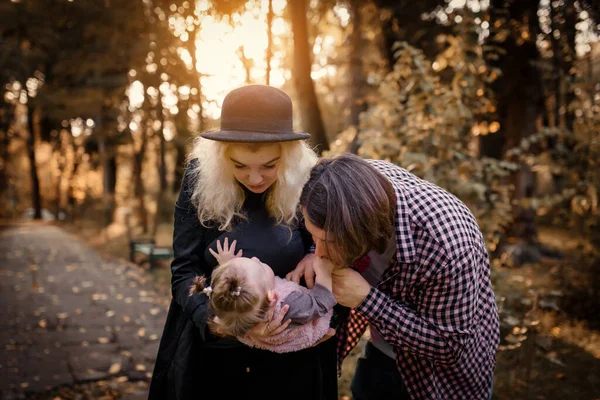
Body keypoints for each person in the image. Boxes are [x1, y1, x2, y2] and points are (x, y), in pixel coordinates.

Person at [149, 85, 337, 400]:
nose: (254, 179)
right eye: (239, 166)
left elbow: (331, 249)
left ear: (288, 158)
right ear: (223, 159)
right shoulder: (200, 179)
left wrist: (311, 253)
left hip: (291, 355)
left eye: (269, 166)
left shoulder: (307, 177)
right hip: (216, 353)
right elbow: (184, 270)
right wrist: (219, 323)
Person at [288, 153, 500, 400]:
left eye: (328, 242)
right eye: (316, 238)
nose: (321, 253)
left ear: (362, 229)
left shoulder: (446, 246)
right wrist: (312, 251)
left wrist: (366, 300)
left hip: (442, 382)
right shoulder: (346, 185)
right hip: (382, 353)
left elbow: (449, 346)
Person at [189, 238, 336, 353]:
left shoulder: (233, 307)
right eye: (259, 266)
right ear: (271, 296)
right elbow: (320, 304)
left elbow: (227, 287)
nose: (255, 259)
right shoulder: (290, 305)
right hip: (312, 321)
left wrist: (228, 265)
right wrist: (324, 272)